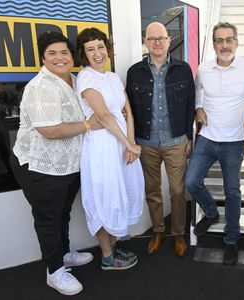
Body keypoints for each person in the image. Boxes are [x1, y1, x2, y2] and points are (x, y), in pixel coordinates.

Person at [10, 31, 101, 296]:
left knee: (62, 214)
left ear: (72, 56)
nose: (60, 58)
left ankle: (63, 254)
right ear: (43, 58)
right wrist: (87, 125)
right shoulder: (41, 86)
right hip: (40, 166)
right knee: (48, 219)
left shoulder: (74, 80)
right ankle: (54, 271)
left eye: (64, 52)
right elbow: (49, 130)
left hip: (68, 165)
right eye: (52, 53)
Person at [185, 22, 244, 265]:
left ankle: (231, 240)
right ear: (214, 44)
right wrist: (198, 107)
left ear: (236, 42)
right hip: (207, 137)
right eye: (219, 40)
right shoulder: (204, 68)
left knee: (232, 191)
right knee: (191, 181)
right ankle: (210, 212)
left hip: (234, 141)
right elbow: (199, 91)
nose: (224, 45)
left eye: (229, 40)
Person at [76, 28, 145, 270]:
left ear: (107, 48)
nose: (97, 53)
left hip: (120, 145)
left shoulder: (113, 77)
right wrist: (129, 144)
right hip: (102, 149)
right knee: (104, 198)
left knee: (120, 196)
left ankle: (113, 248)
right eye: (90, 49)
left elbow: (127, 112)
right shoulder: (85, 78)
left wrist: (130, 144)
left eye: (100, 46)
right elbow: (104, 116)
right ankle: (107, 256)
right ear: (83, 54)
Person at [126, 22, 195, 257]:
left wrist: (189, 138)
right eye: (152, 38)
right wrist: (131, 140)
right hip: (146, 142)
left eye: (161, 38)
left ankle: (178, 234)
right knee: (152, 190)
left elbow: (189, 106)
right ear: (145, 42)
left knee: (177, 191)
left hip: (175, 140)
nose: (157, 42)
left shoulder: (183, 69)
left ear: (168, 41)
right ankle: (158, 231)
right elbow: (130, 110)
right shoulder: (135, 72)